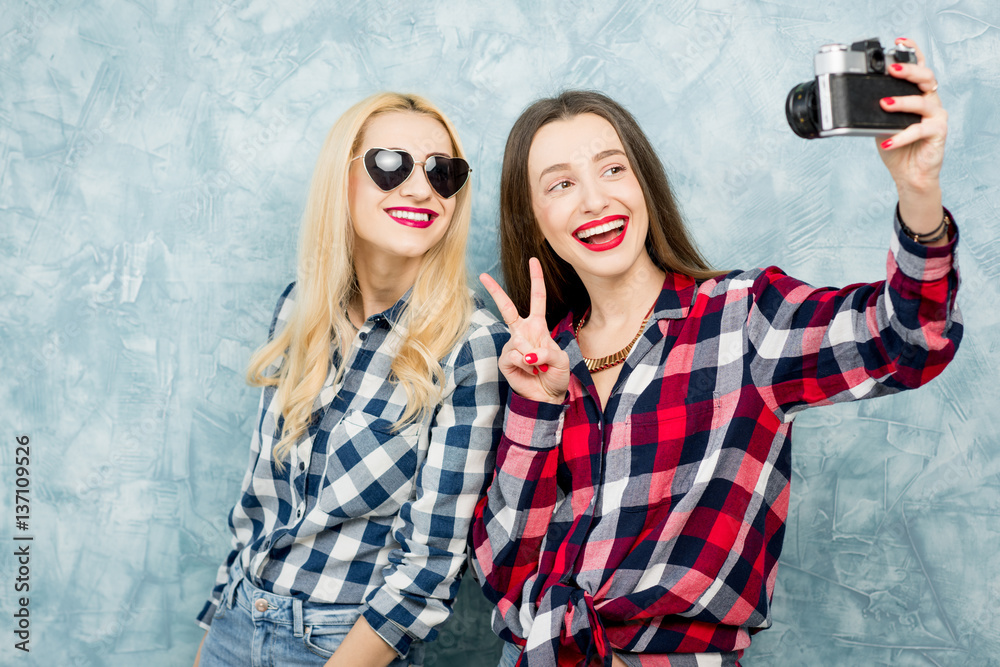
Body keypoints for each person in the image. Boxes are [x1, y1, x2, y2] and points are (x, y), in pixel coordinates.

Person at [472, 39, 960, 667]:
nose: (594, 199)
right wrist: (537, 407)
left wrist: (919, 198)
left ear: (644, 184)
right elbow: (503, 569)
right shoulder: (538, 360)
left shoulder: (744, 319)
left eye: (612, 169)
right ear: (536, 218)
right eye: (561, 184)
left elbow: (911, 340)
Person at [194, 92, 508, 667]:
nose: (420, 189)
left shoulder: (472, 346)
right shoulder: (299, 310)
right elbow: (258, 504)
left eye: (443, 172)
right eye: (391, 164)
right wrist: (216, 634)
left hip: (337, 646)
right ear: (342, 180)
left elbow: (430, 565)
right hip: (238, 621)